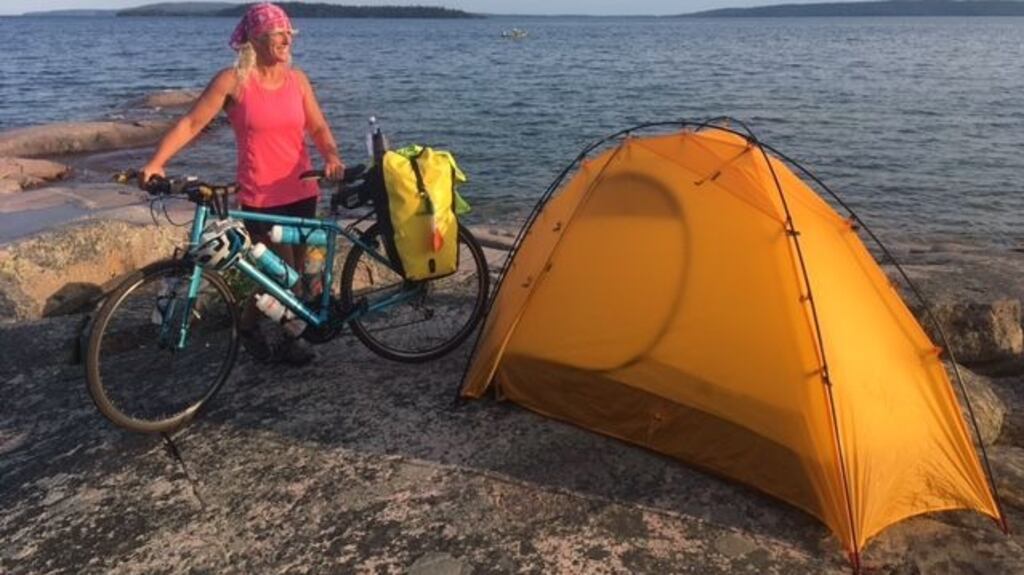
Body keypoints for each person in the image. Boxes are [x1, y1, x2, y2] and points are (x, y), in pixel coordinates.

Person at [140, 2, 344, 364]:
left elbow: (318, 126)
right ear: (256, 38)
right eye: (278, 33)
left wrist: (330, 155)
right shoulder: (233, 81)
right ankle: (285, 339)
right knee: (287, 277)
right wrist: (156, 162)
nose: (287, 39)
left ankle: (250, 326)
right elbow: (191, 124)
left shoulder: (297, 81)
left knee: (283, 278)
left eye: (288, 33)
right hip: (261, 198)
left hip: (302, 192)